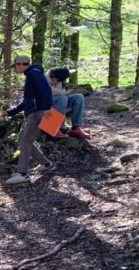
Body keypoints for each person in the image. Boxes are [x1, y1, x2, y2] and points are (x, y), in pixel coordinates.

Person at [6, 55, 55, 185]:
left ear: (21, 64)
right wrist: (10, 112)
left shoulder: (34, 74)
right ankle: (46, 164)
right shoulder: (32, 74)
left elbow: (46, 90)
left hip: (37, 113)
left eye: (15, 66)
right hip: (34, 112)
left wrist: (46, 107)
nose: (15, 69)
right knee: (25, 139)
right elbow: (27, 101)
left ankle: (23, 174)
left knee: (25, 140)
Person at [48, 67, 91, 140]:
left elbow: (60, 92)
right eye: (58, 80)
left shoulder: (58, 79)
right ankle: (56, 129)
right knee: (62, 98)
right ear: (53, 75)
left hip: (59, 102)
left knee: (79, 97)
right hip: (46, 105)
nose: (58, 82)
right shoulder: (43, 79)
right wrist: (61, 93)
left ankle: (76, 128)